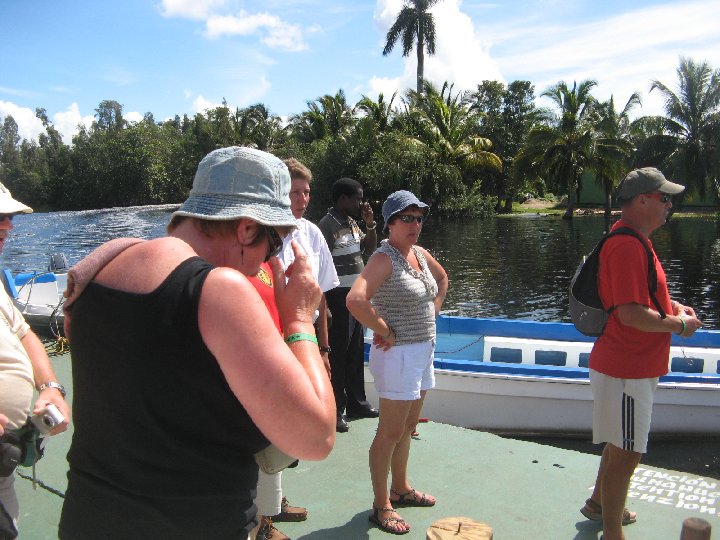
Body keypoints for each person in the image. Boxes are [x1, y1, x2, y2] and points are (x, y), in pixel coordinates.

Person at [58, 146, 336, 540]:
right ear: (245, 228)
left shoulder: (98, 270)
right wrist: (299, 317)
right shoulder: (219, 290)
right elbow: (316, 437)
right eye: (272, 245)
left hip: (88, 520)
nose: (265, 263)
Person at [578, 167, 702, 540]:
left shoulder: (632, 240)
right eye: (665, 198)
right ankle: (613, 533)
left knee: (620, 443)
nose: (670, 204)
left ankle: (599, 503)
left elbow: (640, 299)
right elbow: (631, 314)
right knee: (628, 453)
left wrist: (673, 307)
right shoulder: (628, 245)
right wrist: (678, 326)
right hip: (627, 368)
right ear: (643, 200)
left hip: (628, 365)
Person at [346, 190, 448, 535]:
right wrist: (383, 328)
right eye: (407, 217)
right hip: (398, 356)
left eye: (419, 218)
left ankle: (400, 489)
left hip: (422, 351)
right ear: (390, 222)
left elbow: (443, 279)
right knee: (389, 432)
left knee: (407, 427)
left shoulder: (420, 253)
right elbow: (355, 299)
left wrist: (431, 314)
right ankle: (381, 505)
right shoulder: (384, 257)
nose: (415, 224)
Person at [251, 158, 341, 540]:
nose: (301, 199)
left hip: (301, 342)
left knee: (286, 434)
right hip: (269, 345)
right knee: (266, 430)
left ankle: (275, 503)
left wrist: (323, 349)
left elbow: (319, 299)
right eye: (294, 192)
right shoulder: (259, 240)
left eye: (306, 192)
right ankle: (263, 520)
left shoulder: (310, 234)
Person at [0, 182, 71, 538]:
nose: (8, 226)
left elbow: (26, 333)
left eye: (8, 217)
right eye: (0, 217)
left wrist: (51, 387)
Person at [318, 178, 379, 433]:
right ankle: (336, 410)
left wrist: (370, 224)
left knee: (355, 352)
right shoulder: (327, 225)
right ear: (342, 199)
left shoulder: (352, 224)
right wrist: (326, 307)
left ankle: (357, 403)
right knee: (339, 355)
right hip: (337, 298)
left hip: (355, 297)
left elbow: (370, 249)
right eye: (356, 198)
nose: (360, 202)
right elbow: (320, 266)